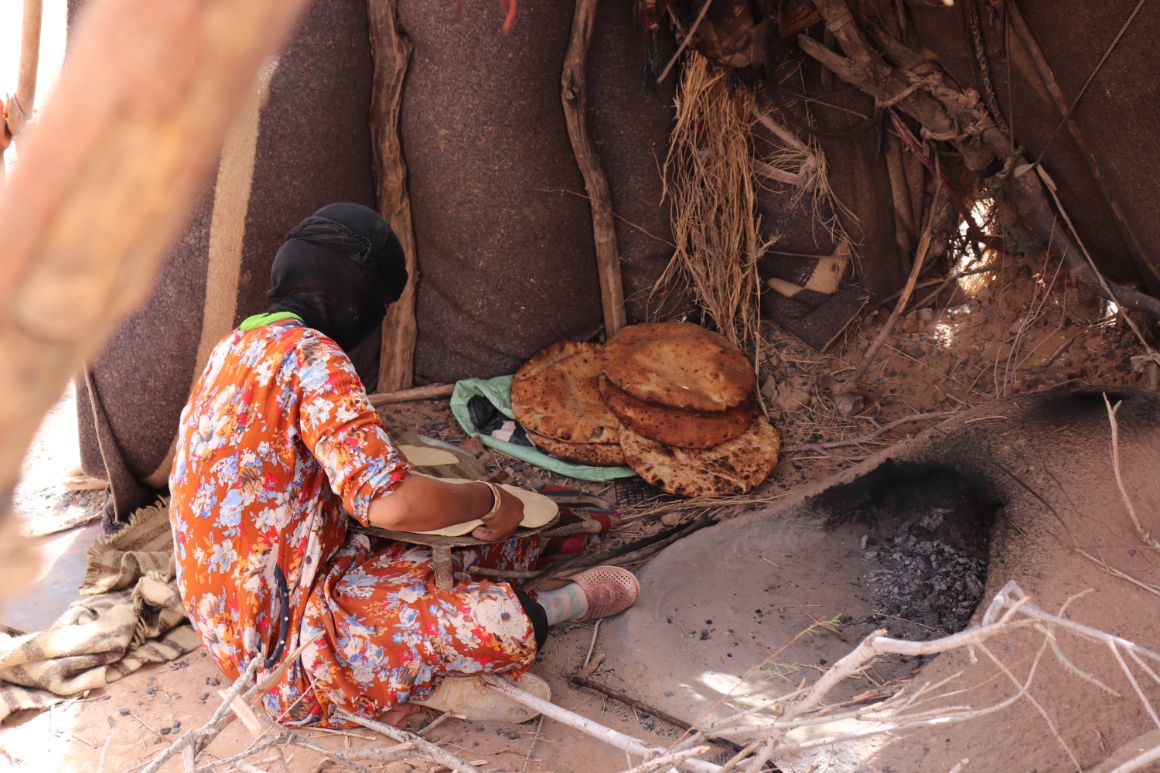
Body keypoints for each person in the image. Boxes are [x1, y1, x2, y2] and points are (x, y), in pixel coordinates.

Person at [168, 203, 638, 728]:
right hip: (286, 659)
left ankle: (444, 667)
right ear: (354, 300)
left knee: (431, 548)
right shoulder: (313, 357)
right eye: (380, 307)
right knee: (492, 616)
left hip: (234, 626)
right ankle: (553, 607)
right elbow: (390, 504)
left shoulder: (231, 350)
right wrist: (490, 498)